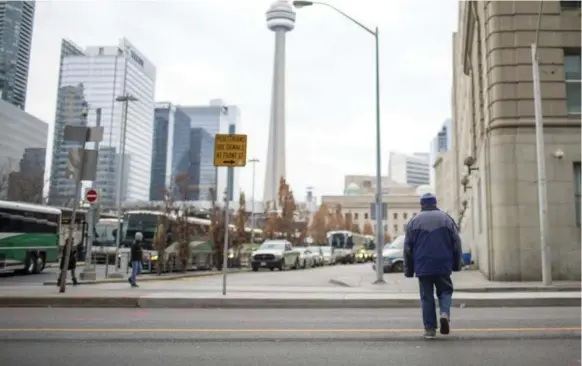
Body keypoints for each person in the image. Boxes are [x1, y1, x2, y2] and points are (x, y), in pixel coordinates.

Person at [403, 193, 462, 340]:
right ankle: (444, 314)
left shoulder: (414, 222)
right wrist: (456, 264)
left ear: (421, 205)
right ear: (435, 203)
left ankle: (429, 329)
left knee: (426, 296)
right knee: (446, 291)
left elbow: (407, 248)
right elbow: (457, 244)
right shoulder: (446, 219)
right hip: (443, 263)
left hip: (423, 265)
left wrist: (409, 270)